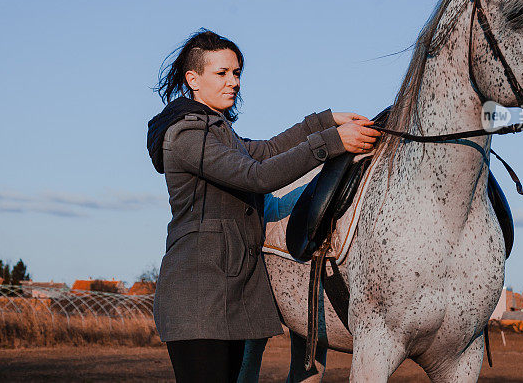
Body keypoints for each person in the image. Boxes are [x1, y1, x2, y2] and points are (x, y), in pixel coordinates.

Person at [146, 29, 380, 382]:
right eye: (221, 73)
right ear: (192, 79)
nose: (233, 82)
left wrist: (323, 122)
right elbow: (259, 176)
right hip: (197, 301)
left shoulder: (220, 132)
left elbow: (269, 150)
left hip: (229, 296)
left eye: (236, 73)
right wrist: (333, 142)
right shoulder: (187, 136)